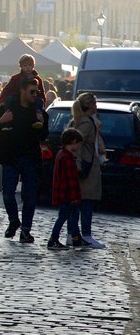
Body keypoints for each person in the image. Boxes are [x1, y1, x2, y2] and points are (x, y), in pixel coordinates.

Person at [0, 76, 49, 243]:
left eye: (36, 92)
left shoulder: (38, 112)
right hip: (10, 156)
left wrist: (42, 123)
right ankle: (14, 221)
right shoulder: (8, 108)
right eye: (31, 92)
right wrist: (2, 120)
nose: (35, 95)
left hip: (30, 157)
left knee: (29, 196)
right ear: (22, 91)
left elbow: (44, 136)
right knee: (8, 193)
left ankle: (26, 230)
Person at [69, 92, 105, 249]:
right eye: (95, 103)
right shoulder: (86, 122)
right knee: (84, 201)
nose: (96, 106)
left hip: (86, 165)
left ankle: (76, 234)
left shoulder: (88, 121)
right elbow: (75, 144)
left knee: (82, 202)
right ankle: (83, 235)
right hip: (85, 166)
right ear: (90, 105)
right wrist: (77, 163)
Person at [48, 128, 88, 250]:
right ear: (74, 141)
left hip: (63, 193)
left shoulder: (62, 154)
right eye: (79, 144)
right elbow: (70, 180)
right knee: (64, 217)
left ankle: (76, 238)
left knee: (72, 215)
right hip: (67, 194)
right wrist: (74, 197)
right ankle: (53, 239)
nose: (80, 147)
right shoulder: (67, 158)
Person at [0, 54, 47, 127]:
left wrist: (43, 103)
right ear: (21, 67)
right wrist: (2, 100)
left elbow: (42, 91)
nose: (27, 67)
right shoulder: (16, 78)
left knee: (39, 101)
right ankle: (7, 118)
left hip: (32, 97)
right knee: (10, 98)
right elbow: (7, 89)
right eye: (25, 66)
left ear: (33, 66)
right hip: (18, 96)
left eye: (29, 65)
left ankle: (38, 118)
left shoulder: (37, 79)